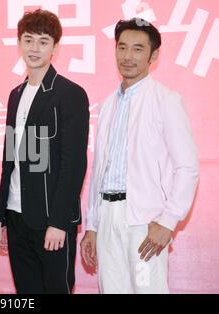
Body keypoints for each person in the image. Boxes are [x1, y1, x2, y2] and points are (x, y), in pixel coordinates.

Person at [80, 18, 199, 294]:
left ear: (153, 55)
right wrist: (94, 225)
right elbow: (101, 170)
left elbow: (187, 167)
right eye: (122, 48)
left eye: (137, 49)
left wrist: (168, 221)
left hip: (146, 221)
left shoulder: (166, 100)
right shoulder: (108, 104)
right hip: (108, 218)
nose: (127, 57)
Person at [0, 9, 90, 294]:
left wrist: (59, 222)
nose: (35, 48)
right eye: (28, 40)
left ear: (55, 48)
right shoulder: (15, 94)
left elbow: (73, 164)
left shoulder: (69, 94)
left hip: (51, 219)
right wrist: (0, 215)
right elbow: (10, 160)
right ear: (19, 43)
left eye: (43, 41)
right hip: (16, 215)